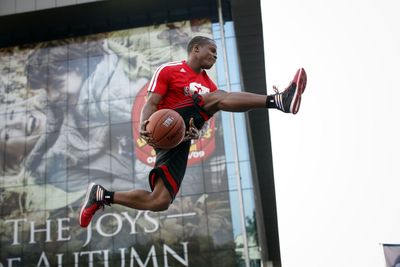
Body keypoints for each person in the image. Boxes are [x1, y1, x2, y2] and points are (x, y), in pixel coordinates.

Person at [78, 35, 307, 228]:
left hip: (179, 137)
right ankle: (278, 100)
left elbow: (202, 120)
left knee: (160, 201)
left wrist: (196, 133)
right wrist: (144, 126)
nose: (215, 55)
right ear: (196, 49)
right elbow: (151, 102)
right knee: (218, 98)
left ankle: (101, 195)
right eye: (212, 50)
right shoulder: (170, 70)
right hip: (165, 121)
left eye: (217, 52)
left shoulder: (211, 87)